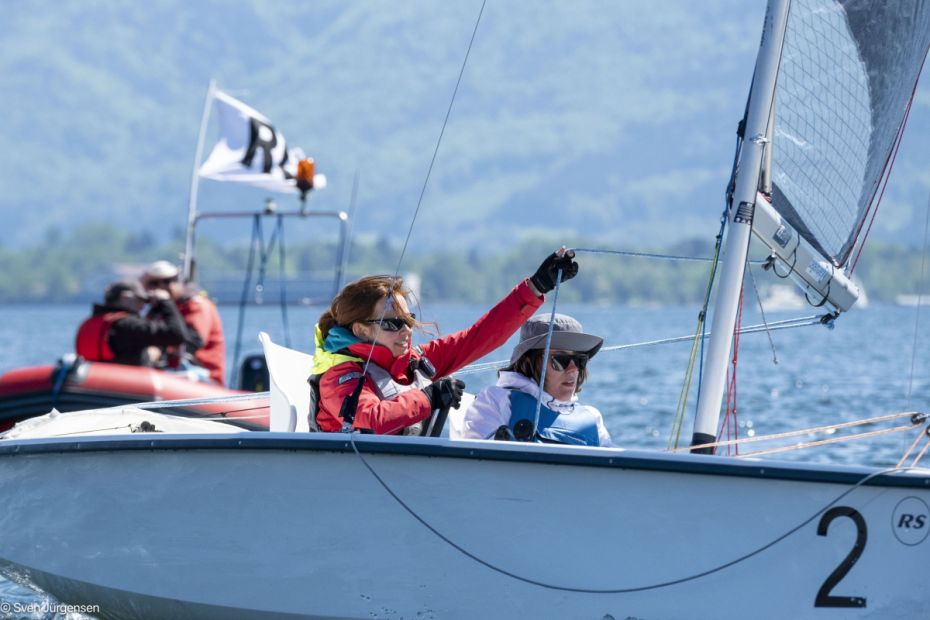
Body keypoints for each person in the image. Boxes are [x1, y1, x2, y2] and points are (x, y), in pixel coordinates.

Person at [312, 249, 579, 434]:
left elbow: (480, 336)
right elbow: (372, 417)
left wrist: (536, 287)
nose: (406, 330)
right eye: (393, 323)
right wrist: (429, 397)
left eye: (408, 319)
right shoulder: (340, 377)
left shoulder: (415, 362)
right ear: (360, 330)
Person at [454, 313, 614, 447]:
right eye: (561, 360)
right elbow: (477, 465)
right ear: (529, 361)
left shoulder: (593, 417)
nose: (573, 369)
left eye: (580, 361)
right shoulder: (498, 400)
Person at [75, 279, 198, 367]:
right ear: (126, 297)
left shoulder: (88, 323)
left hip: (95, 386)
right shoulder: (128, 325)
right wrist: (166, 302)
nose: (143, 306)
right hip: (125, 390)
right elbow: (176, 334)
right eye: (141, 300)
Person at [142, 260, 227, 385]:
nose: (161, 287)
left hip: (203, 376)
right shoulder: (156, 311)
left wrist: (159, 350)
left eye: (168, 281)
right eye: (153, 284)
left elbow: (194, 341)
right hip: (170, 374)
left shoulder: (196, 305)